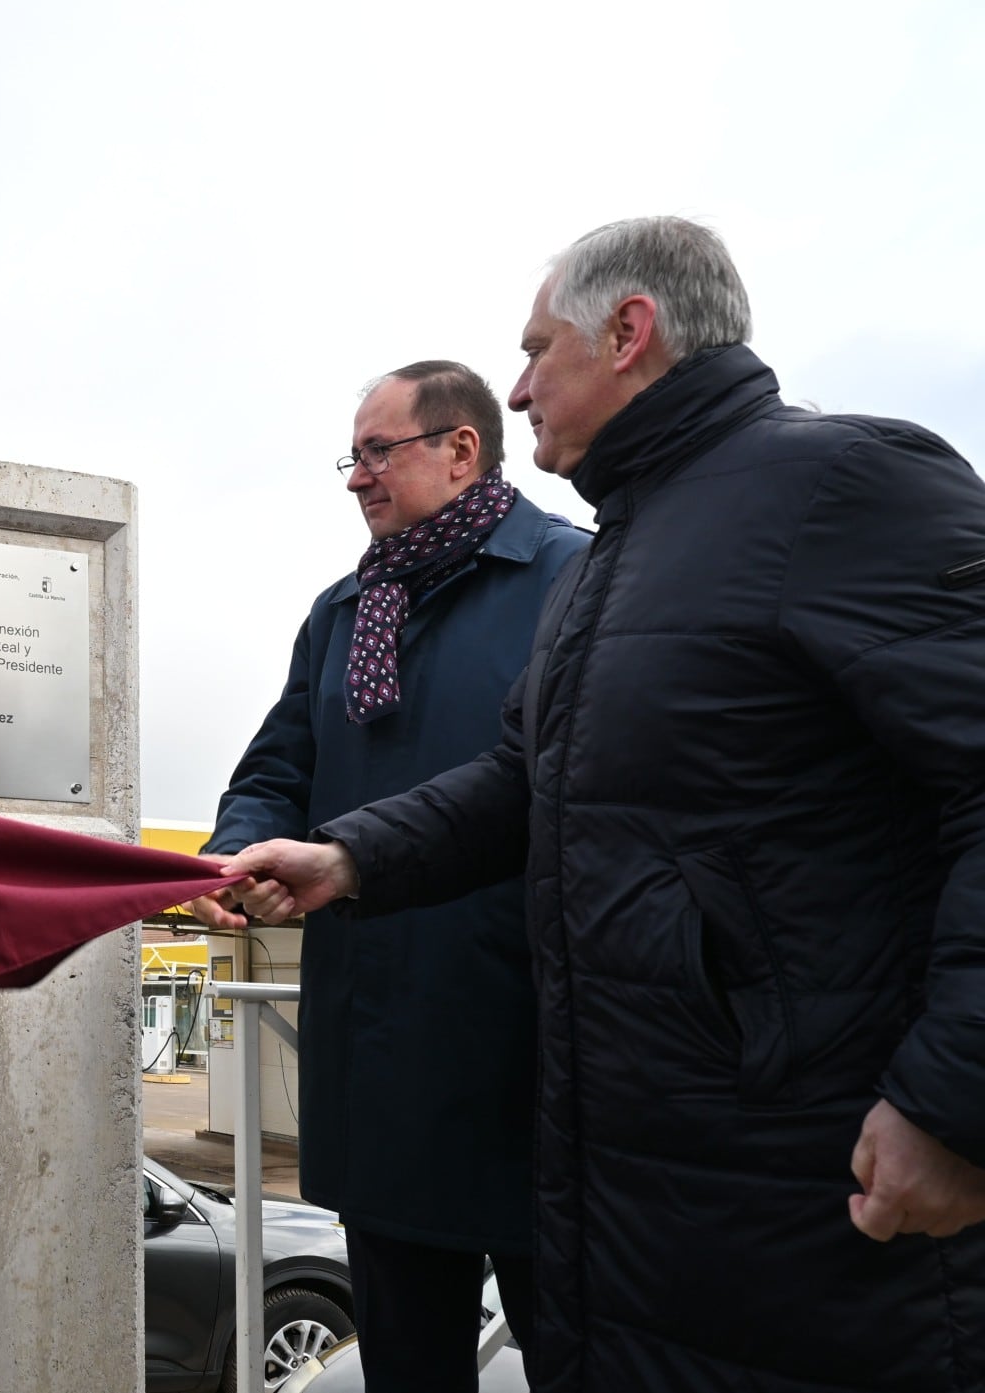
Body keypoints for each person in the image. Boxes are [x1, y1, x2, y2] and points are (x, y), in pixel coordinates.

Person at [224, 216, 985, 1391]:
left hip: (805, 1173)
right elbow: (526, 782)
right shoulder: (627, 548)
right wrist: (351, 861)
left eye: (538, 350)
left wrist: (950, 1103)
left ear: (630, 332)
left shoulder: (843, 483)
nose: (521, 389)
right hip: (634, 1169)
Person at [193, 362, 588, 1389]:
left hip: (529, 1059)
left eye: (379, 452)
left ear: (462, 450)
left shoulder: (570, 579)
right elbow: (277, 768)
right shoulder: (340, 612)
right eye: (352, 456)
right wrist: (236, 852)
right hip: (377, 1064)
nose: (357, 478)